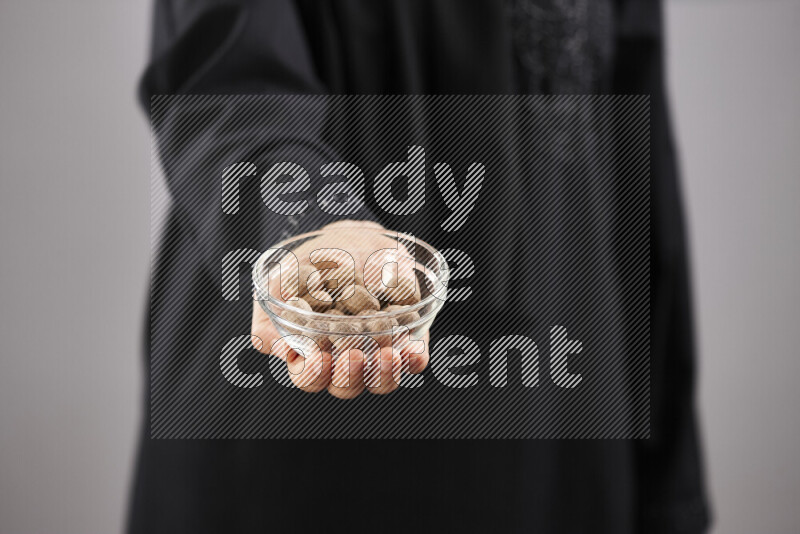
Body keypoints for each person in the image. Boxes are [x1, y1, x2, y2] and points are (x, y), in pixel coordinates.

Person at [130, 1, 710, 532]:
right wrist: (311, 229)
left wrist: (667, 484)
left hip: (563, 418)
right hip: (296, 414)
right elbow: (229, 74)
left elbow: (636, 147)